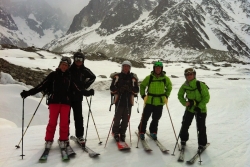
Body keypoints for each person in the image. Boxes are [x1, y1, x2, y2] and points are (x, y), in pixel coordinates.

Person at [20, 57, 72, 149]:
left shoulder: (70, 77)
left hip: (66, 103)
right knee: (52, 122)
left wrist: (87, 92)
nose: (64, 66)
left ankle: (63, 140)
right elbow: (41, 85)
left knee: (64, 123)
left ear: (68, 67)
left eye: (66, 65)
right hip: (54, 102)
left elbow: (77, 88)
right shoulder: (53, 75)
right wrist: (28, 93)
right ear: (60, 65)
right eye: (62, 64)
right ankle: (48, 140)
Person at [138, 61, 172, 140]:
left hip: (160, 102)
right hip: (149, 101)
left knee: (156, 118)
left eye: (159, 68)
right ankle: (141, 131)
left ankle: (153, 131)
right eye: (156, 68)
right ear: (154, 69)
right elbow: (142, 86)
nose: (158, 69)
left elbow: (169, 87)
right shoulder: (149, 77)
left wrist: (166, 96)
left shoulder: (165, 79)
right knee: (145, 117)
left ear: (161, 69)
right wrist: (143, 95)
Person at [177, 68, 210, 150]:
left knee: (201, 127)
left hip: (201, 110)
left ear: (194, 75)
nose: (189, 76)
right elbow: (180, 95)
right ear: (185, 76)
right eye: (187, 75)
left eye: (191, 74)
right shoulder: (185, 85)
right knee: (185, 124)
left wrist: (199, 107)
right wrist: (185, 103)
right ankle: (183, 139)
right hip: (190, 108)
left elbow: (206, 97)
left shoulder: (200, 84)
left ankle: (202, 144)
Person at [69, 51, 96, 145]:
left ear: (83, 60)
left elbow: (93, 77)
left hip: (77, 98)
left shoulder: (85, 70)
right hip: (67, 97)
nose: (78, 61)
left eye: (80, 59)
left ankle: (80, 136)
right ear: (74, 59)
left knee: (79, 118)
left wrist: (85, 85)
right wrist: (84, 90)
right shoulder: (69, 69)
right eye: (76, 59)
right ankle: (64, 136)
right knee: (66, 118)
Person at [110, 60, 139, 142]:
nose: (126, 68)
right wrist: (119, 90)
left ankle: (122, 133)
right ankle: (116, 132)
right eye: (124, 66)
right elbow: (112, 88)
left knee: (126, 119)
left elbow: (137, 89)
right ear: (122, 67)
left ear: (130, 68)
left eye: (127, 66)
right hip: (119, 100)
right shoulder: (117, 77)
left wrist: (130, 89)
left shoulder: (133, 78)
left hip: (128, 101)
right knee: (117, 118)